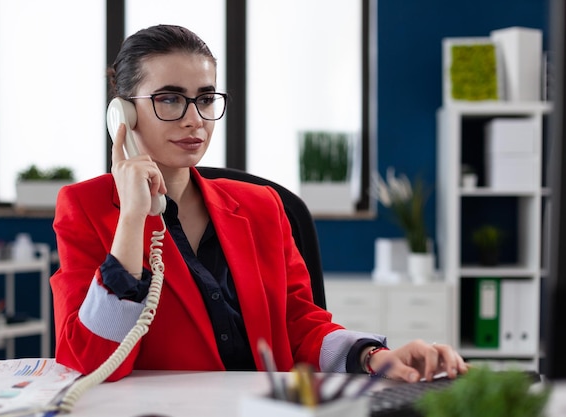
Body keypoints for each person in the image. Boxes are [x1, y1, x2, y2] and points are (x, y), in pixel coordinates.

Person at [50, 24, 468, 383]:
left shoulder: (261, 206)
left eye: (206, 98)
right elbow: (92, 362)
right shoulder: (85, 206)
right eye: (170, 99)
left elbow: (301, 326)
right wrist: (131, 218)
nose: (194, 118)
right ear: (122, 114)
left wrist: (372, 357)